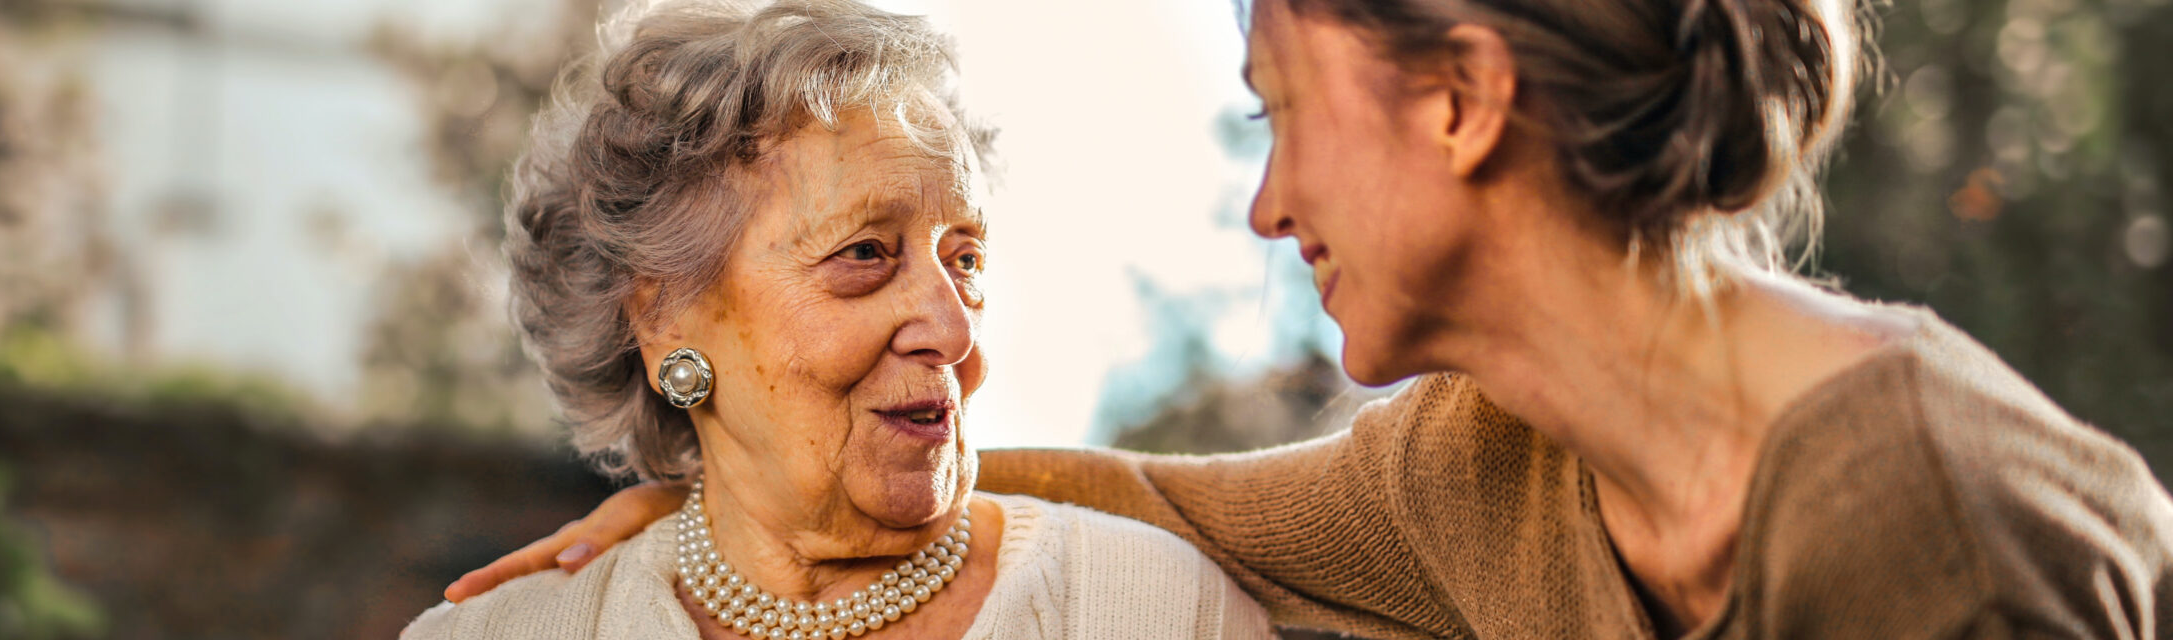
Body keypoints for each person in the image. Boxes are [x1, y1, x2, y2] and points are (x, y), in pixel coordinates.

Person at [444, 0, 2173, 637]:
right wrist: (722, 487)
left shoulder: (1925, 516)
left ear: (1460, 104)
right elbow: (1151, 501)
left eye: (1276, 108)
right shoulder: (1484, 468)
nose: (1267, 206)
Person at [400, 1, 1274, 638]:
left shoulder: (1155, 608)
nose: (953, 331)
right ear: (662, 315)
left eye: (964, 259)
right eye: (865, 254)